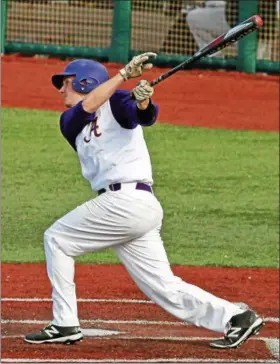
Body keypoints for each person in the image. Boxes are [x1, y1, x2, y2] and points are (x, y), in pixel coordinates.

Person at [24, 54, 264, 349]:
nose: (61, 89)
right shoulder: (70, 121)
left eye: (67, 82)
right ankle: (236, 316)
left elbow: (143, 116)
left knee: (56, 238)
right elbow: (88, 107)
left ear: (86, 82)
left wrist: (141, 101)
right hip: (127, 208)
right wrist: (124, 74)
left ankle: (64, 323)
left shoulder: (117, 103)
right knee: (163, 288)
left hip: (128, 202)